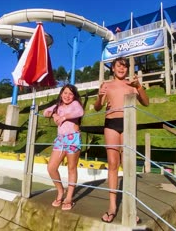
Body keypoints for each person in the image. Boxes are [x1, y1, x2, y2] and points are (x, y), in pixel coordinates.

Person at [93, 57, 149, 223]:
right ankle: (112, 206)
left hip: (128, 124)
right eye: (119, 66)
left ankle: (130, 206)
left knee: (128, 164)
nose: (122, 69)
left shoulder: (132, 85)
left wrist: (139, 87)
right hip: (111, 124)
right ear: (113, 68)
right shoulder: (106, 85)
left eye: (125, 66)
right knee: (112, 163)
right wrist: (99, 97)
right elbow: (97, 107)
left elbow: (146, 103)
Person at [43, 84, 84, 211]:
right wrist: (54, 115)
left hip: (73, 138)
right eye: (65, 93)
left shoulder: (75, 104)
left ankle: (69, 197)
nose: (67, 96)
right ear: (61, 94)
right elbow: (45, 112)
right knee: (51, 167)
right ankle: (60, 191)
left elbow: (80, 112)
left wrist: (64, 117)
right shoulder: (58, 106)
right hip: (60, 140)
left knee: (71, 168)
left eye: (70, 94)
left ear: (74, 96)